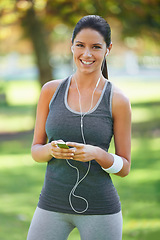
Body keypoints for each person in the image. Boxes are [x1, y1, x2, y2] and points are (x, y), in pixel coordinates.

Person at [27, 15, 131, 240]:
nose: (87, 54)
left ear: (108, 49)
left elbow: (124, 167)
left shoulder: (117, 100)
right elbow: (36, 150)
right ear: (71, 45)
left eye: (96, 47)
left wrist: (98, 154)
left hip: (100, 208)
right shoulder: (50, 91)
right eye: (80, 45)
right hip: (51, 204)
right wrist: (50, 150)